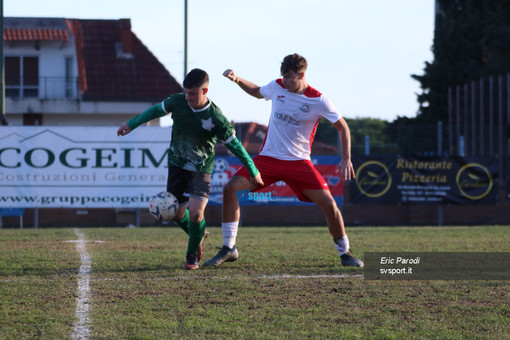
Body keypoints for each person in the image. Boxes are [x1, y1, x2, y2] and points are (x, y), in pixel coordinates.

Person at [204, 54, 363, 268]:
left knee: (329, 204)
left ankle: (345, 254)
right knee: (230, 188)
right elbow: (257, 91)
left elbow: (342, 127)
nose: (285, 81)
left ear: (301, 75)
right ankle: (229, 248)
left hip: (299, 163)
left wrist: (346, 159)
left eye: (289, 77)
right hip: (268, 159)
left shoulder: (318, 100)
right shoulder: (278, 86)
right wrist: (237, 79)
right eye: (283, 77)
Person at [117, 68, 263, 270]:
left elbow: (235, 145)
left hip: (201, 169)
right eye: (186, 92)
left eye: (193, 93)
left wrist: (253, 170)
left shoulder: (216, 117)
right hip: (177, 165)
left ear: (205, 91)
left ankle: (191, 256)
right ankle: (199, 234)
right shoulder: (177, 101)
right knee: (176, 213)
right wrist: (131, 124)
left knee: (195, 214)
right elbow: (154, 112)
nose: (188, 97)